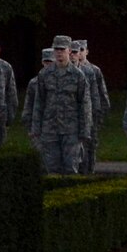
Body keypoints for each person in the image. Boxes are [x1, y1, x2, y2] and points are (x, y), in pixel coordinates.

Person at [29, 36, 93, 175]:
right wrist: (36, 128)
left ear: (69, 51)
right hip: (50, 129)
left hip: (71, 130)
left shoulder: (78, 76)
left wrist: (85, 131)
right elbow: (39, 103)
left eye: (62, 50)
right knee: (51, 169)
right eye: (56, 49)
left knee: (71, 168)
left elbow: (85, 105)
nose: (59, 53)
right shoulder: (45, 74)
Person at [72, 40, 108, 173]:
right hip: (73, 119)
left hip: (90, 116)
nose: (78, 54)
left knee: (89, 149)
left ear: (86, 51)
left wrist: (97, 117)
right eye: (75, 51)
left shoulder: (92, 71)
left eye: (81, 50)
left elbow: (100, 96)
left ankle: (89, 173)